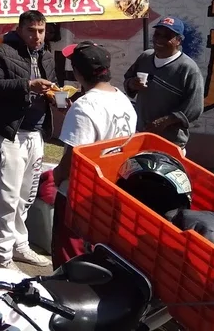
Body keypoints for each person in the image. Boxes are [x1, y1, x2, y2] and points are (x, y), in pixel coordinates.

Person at [51, 41, 136, 268]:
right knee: (100, 256)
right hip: (110, 190)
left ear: (78, 73)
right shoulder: (123, 99)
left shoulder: (84, 106)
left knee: (70, 257)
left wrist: (57, 176)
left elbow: (74, 157)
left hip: (79, 194)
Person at [0, 10, 56, 270]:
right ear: (20, 30)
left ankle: (20, 245)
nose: (37, 36)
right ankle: (1, 258)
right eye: (31, 31)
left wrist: (55, 94)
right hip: (8, 134)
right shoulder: (1, 52)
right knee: (7, 198)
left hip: (36, 133)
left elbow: (50, 84)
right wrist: (27, 84)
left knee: (25, 196)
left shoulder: (46, 55)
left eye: (41, 31)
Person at [124, 16, 204, 150]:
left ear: (178, 40)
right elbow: (128, 80)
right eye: (157, 34)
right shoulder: (145, 57)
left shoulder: (188, 69)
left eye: (167, 36)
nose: (159, 39)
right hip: (141, 134)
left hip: (170, 141)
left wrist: (165, 121)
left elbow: (195, 108)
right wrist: (132, 84)